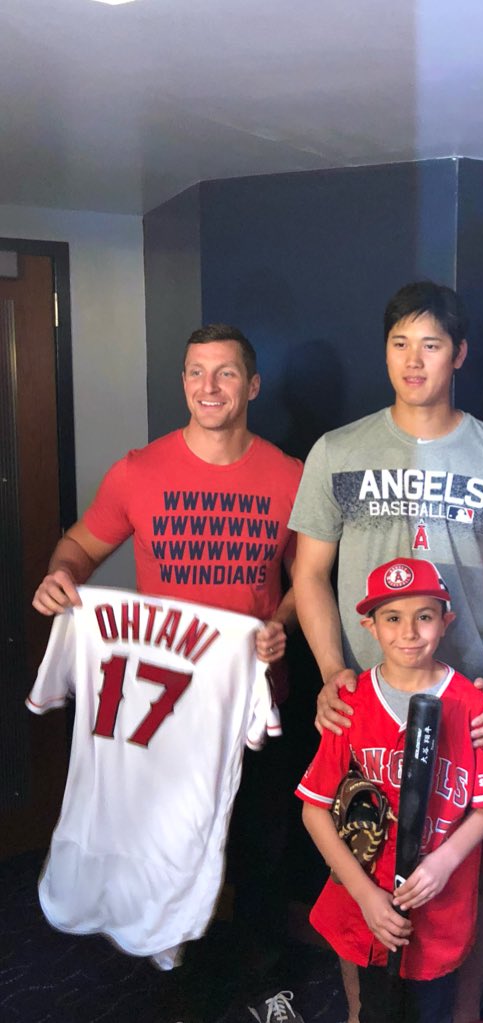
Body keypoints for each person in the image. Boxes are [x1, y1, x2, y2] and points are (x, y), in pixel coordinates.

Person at [289, 282, 483, 1023]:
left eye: (431, 344)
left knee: (474, 871)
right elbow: (308, 573)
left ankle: (463, 1013)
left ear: (458, 354)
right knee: (358, 863)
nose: (413, 359)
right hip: (368, 699)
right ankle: (362, 1012)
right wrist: (334, 670)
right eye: (400, 342)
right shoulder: (339, 450)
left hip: (465, 701)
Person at [31, 323, 303, 973]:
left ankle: (264, 975)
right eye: (195, 372)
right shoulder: (139, 470)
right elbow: (78, 548)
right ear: (182, 382)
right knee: (170, 844)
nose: (209, 387)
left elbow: (307, 580)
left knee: (258, 847)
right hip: (166, 706)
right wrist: (60, 575)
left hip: (252, 696)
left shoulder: (290, 475)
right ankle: (193, 980)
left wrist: (283, 622)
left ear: (253, 384)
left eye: (226, 372)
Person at [297, 557, 483, 1023]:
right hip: (368, 905)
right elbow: (314, 811)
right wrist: (364, 894)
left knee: (430, 1009)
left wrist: (444, 861)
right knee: (375, 1009)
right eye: (392, 618)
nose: (409, 632)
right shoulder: (350, 703)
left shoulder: (471, 703)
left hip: (438, 902)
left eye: (424, 616)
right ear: (369, 627)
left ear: (445, 621)